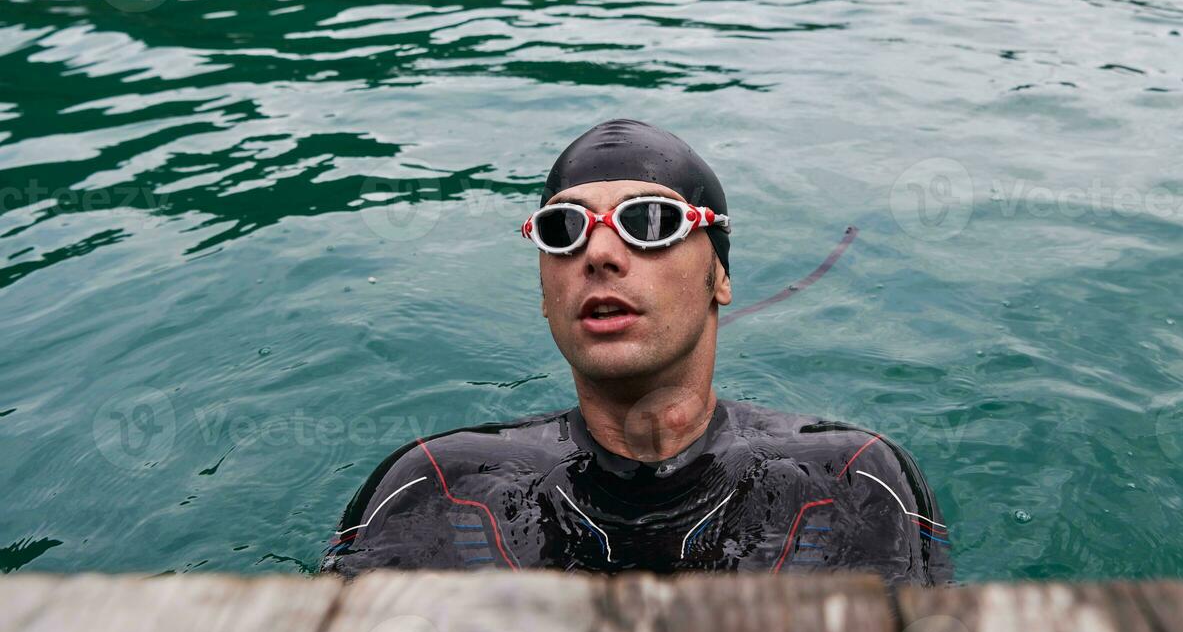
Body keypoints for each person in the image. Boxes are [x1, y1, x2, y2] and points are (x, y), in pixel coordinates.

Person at [320, 119, 952, 585]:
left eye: (650, 222)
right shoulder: (434, 490)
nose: (598, 254)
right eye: (562, 231)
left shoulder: (853, 485)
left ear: (720, 277)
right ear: (544, 292)